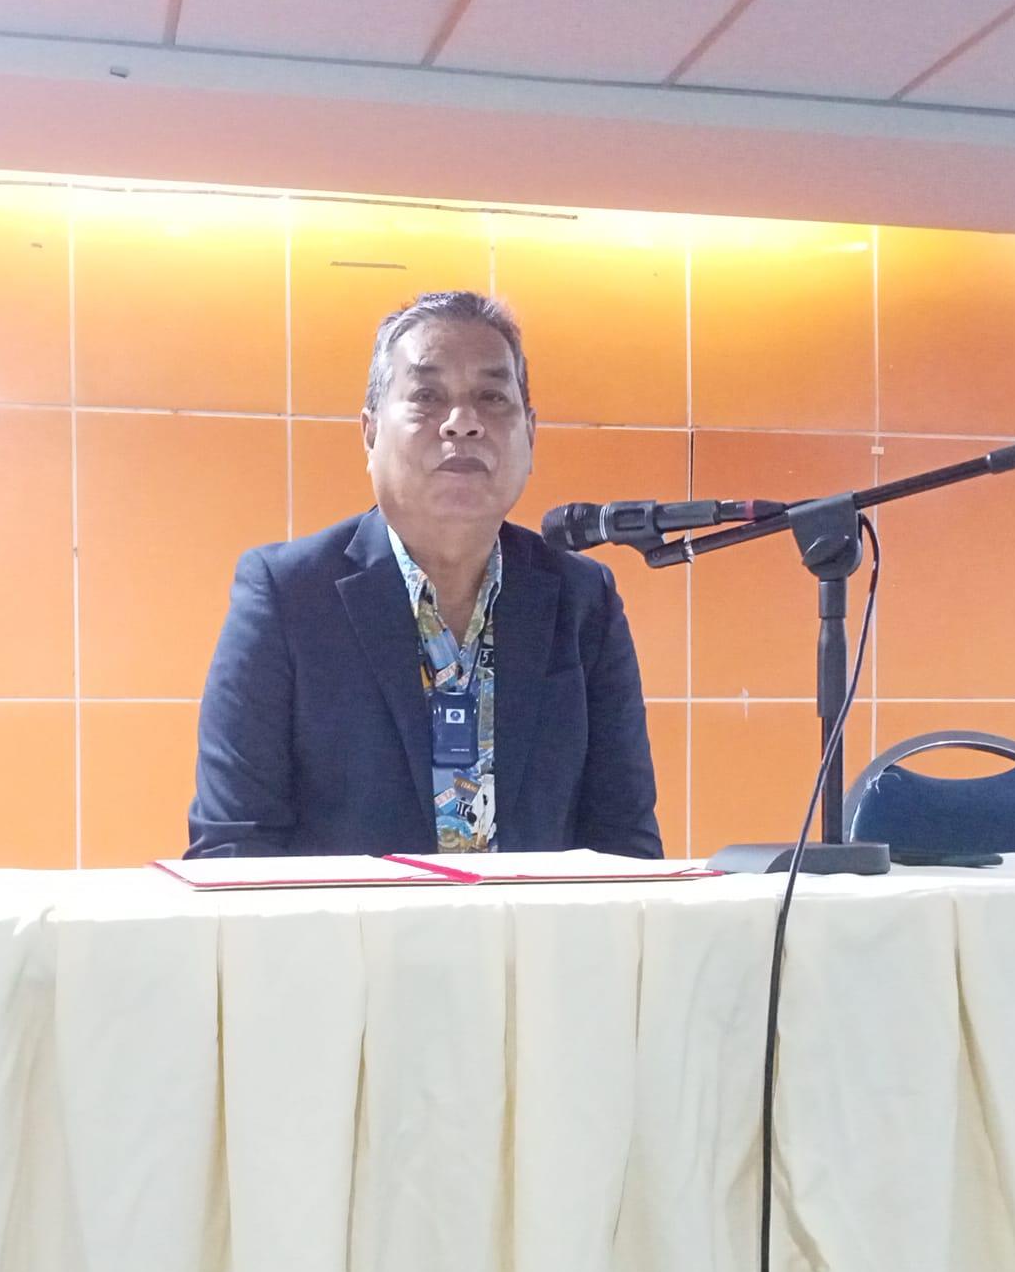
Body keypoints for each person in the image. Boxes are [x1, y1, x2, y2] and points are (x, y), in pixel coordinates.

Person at [186, 290, 660, 859]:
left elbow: (625, 846)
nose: (463, 423)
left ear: (531, 435)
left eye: (492, 397)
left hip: (537, 923)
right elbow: (234, 851)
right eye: (427, 396)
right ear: (370, 434)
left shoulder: (583, 601)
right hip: (347, 922)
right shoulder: (287, 596)